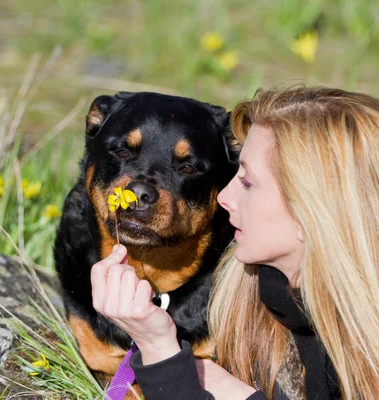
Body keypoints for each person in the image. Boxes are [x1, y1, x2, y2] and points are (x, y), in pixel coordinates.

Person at [91, 86, 379, 400]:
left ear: (311, 208)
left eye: (247, 182)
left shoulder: (358, 354)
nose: (225, 199)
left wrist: (158, 349)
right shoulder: (263, 305)